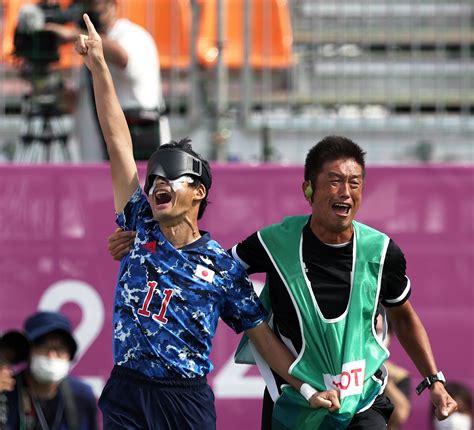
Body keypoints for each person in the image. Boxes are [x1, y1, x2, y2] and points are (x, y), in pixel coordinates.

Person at [76, 14, 327, 430]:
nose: (157, 183)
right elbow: (118, 140)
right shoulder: (139, 222)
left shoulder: (223, 268)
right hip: (128, 391)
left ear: (199, 192)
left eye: (171, 177)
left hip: (185, 398)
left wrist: (306, 388)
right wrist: (101, 68)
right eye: (153, 177)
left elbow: (264, 340)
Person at [108, 135, 459, 429]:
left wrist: (434, 380)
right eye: (335, 181)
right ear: (308, 189)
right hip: (294, 399)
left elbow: (405, 317)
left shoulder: (383, 252)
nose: (346, 192)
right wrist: (135, 240)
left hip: (361, 397)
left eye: (354, 183)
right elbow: (207, 267)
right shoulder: (271, 243)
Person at [46, 0, 169, 160]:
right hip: (98, 157)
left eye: (94, 4)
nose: (88, 10)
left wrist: (74, 34)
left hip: (138, 153)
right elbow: (80, 100)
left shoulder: (133, 35)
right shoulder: (89, 48)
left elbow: (123, 58)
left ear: (113, 5)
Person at [5, 311, 98, 430]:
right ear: (27, 352)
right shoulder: (6, 391)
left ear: (70, 355)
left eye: (60, 348)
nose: (52, 355)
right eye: (44, 346)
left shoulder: (82, 395)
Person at [376, 313, 412, 430]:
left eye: (380, 331)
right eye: (371, 329)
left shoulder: (399, 375)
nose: (376, 336)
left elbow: (401, 415)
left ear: (390, 335)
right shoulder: (343, 368)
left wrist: (381, 376)